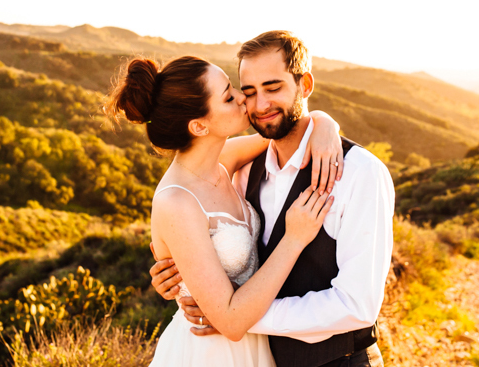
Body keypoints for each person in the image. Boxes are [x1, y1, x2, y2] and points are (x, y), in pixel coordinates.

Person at [150, 31, 395, 367]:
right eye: (247, 92)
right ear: (198, 125)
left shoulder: (360, 173)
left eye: (273, 87)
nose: (258, 104)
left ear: (305, 85)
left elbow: (358, 305)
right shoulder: (243, 169)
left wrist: (324, 122)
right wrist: (185, 289)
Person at [104, 54, 344, 367]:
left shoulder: (222, 161)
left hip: (257, 344)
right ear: (199, 126)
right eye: (229, 97)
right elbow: (230, 321)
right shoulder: (176, 202)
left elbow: (288, 130)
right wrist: (295, 238)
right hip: (211, 352)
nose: (244, 99)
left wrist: (326, 124)